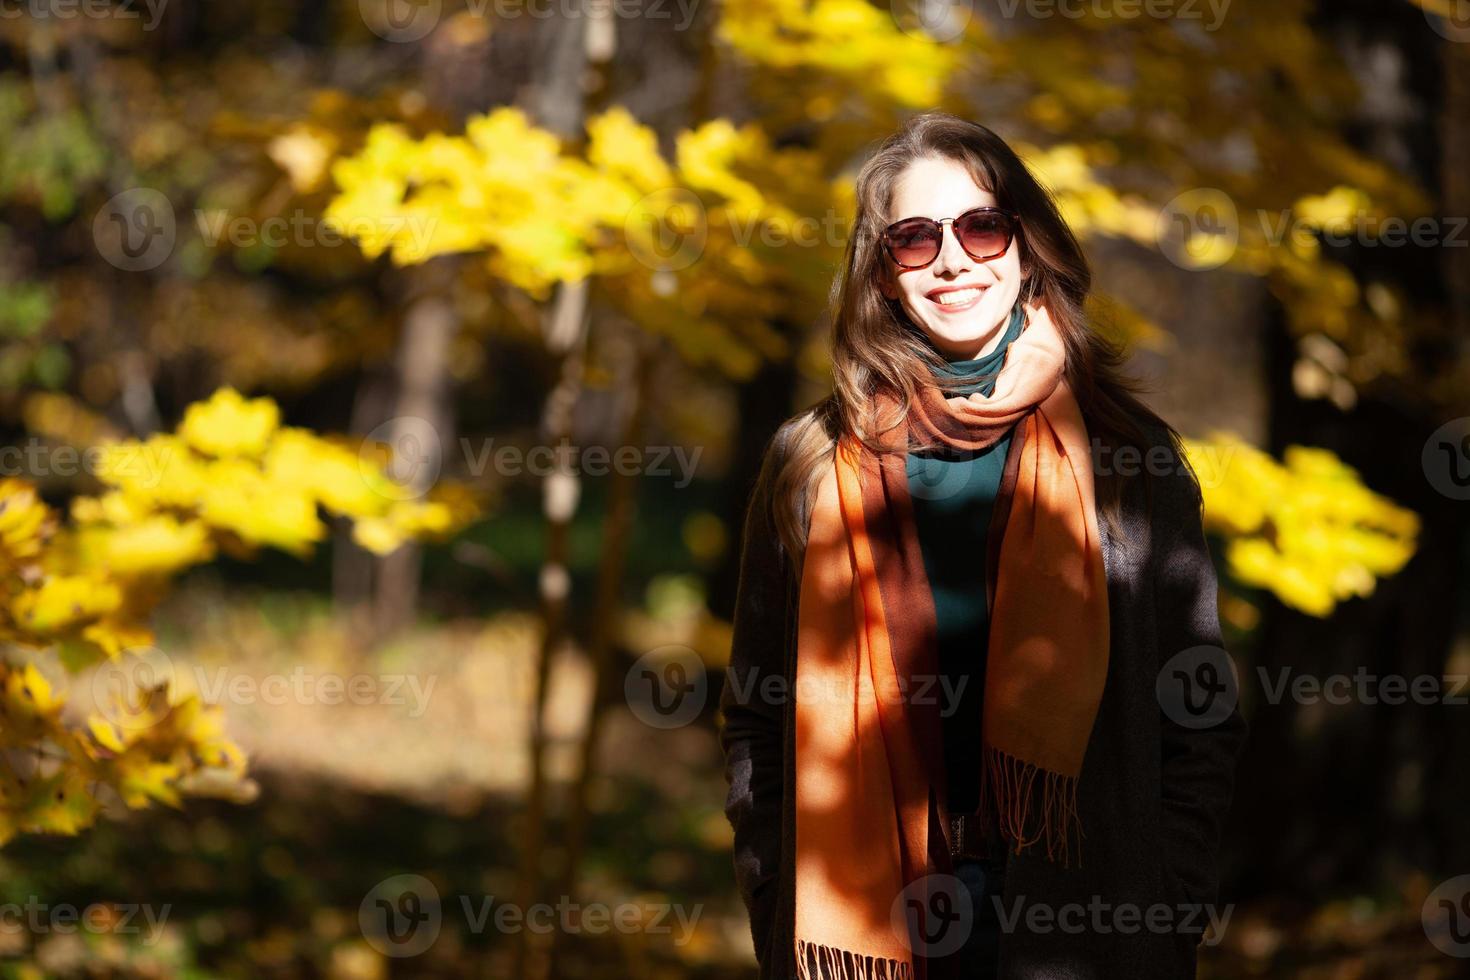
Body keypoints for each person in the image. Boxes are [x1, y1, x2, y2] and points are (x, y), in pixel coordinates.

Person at [717, 111, 1248, 980]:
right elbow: (758, 716)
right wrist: (779, 904)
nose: (954, 259)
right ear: (883, 275)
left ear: (1026, 245)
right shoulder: (808, 462)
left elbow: (1197, 715)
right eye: (916, 239)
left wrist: (1167, 910)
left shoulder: (1130, 460)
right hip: (871, 929)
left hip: (1086, 925)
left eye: (982, 226)